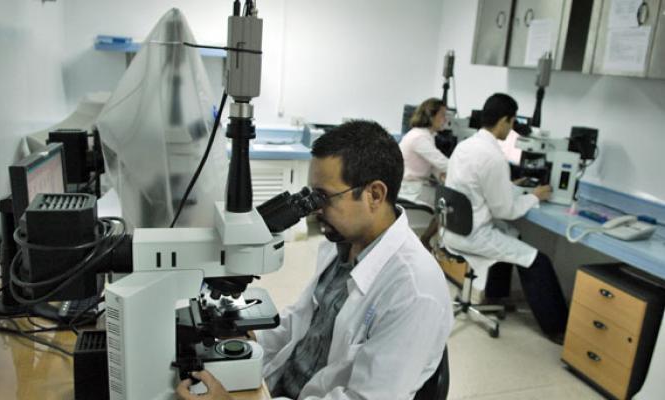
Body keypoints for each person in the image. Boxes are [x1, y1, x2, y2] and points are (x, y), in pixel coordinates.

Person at [177, 120, 453, 399]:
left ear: (375, 194)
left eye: (324, 197)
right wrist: (250, 339)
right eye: (311, 196)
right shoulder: (344, 246)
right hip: (279, 385)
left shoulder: (414, 292)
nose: (313, 210)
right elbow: (301, 321)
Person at [442, 93, 568, 344]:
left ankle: (495, 296)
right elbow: (505, 211)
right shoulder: (495, 157)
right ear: (504, 121)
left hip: (452, 228)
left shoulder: (465, 145)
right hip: (473, 234)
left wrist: (508, 184)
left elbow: (476, 186)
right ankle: (557, 329)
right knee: (537, 260)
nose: (511, 130)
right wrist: (535, 196)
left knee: (512, 235)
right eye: (511, 123)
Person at [398, 98, 450, 249]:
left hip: (414, 184)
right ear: (430, 116)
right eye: (442, 115)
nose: (445, 119)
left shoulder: (424, 135)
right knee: (449, 203)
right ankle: (426, 240)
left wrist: (442, 175)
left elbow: (434, 165)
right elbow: (442, 163)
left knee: (447, 196)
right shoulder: (420, 137)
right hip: (410, 188)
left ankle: (429, 240)